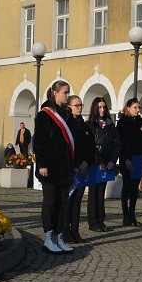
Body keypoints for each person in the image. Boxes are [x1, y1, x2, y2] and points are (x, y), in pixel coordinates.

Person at [32, 80, 76, 255]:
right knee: (50, 202)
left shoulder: (67, 114)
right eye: (65, 92)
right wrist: (42, 164)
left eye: (68, 92)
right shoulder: (44, 115)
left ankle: (59, 236)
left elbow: (73, 140)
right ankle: (49, 237)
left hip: (65, 167)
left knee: (62, 203)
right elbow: (39, 142)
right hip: (50, 167)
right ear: (55, 93)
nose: (67, 95)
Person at [61, 95, 94, 243]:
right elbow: (65, 147)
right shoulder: (66, 124)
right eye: (77, 105)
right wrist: (73, 165)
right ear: (69, 107)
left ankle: (75, 230)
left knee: (78, 201)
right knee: (68, 201)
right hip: (71, 168)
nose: (80, 108)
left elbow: (91, 146)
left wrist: (87, 161)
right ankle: (65, 231)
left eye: (81, 105)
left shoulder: (84, 125)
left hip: (83, 168)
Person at [87, 97, 120, 232]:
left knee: (102, 192)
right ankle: (93, 221)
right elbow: (90, 146)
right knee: (93, 192)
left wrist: (112, 160)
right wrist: (99, 161)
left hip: (108, 163)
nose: (102, 110)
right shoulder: (90, 124)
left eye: (104, 107)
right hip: (95, 163)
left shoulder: (110, 124)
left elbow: (116, 144)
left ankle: (101, 220)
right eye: (99, 107)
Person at [117, 98, 142, 227]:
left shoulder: (141, 122)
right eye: (135, 107)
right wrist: (125, 158)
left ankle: (132, 214)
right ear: (128, 108)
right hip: (127, 159)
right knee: (126, 187)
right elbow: (120, 142)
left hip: (139, 159)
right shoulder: (122, 123)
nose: (138, 110)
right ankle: (125, 215)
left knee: (135, 189)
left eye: (139, 108)